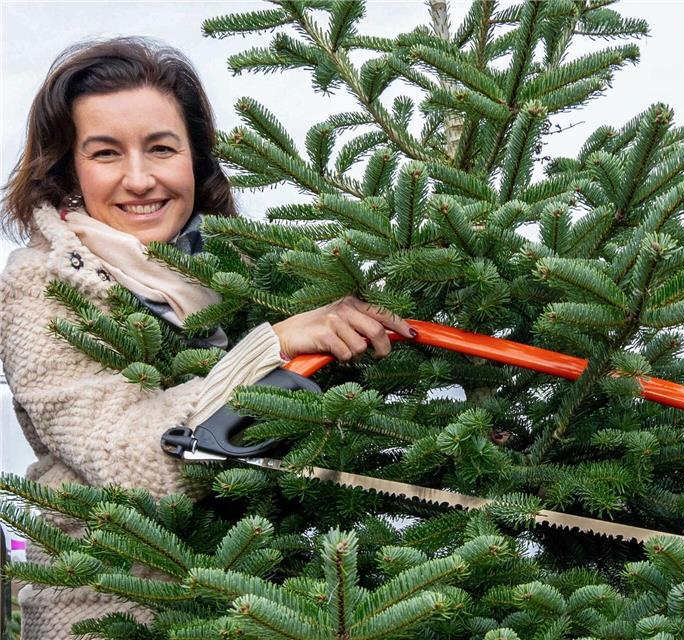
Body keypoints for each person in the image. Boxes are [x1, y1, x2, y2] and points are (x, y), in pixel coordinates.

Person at [0, 37, 413, 637]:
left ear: (196, 158)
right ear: (69, 168)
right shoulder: (43, 286)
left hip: (273, 608)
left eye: (161, 148)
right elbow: (129, 461)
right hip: (112, 614)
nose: (139, 179)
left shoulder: (240, 271)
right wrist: (273, 347)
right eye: (106, 153)